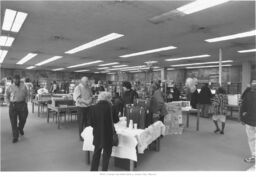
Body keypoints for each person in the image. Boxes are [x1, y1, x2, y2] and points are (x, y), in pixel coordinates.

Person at [90, 92, 116, 171]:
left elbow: (91, 123)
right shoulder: (112, 107)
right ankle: (104, 171)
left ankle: (93, 171)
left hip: (97, 133)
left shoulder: (93, 107)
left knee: (96, 153)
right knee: (107, 155)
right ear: (108, 98)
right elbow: (116, 120)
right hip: (108, 134)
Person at [5, 75, 29, 143]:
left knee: (23, 118)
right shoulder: (10, 87)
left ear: (19, 79)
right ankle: (15, 136)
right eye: (15, 79)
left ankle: (20, 128)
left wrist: (26, 102)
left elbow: (27, 94)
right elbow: (6, 96)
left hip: (22, 104)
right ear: (13, 79)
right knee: (13, 121)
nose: (16, 80)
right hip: (13, 105)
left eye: (17, 79)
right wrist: (8, 104)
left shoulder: (24, 86)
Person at [240, 80, 256, 163]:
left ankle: (254, 155)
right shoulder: (248, 94)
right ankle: (254, 156)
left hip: (250, 120)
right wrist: (242, 118)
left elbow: (243, 106)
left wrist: (242, 118)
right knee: (252, 139)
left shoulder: (248, 94)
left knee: (252, 139)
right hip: (250, 120)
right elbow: (243, 106)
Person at [73, 76, 93, 141]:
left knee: (88, 123)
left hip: (88, 108)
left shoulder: (88, 88)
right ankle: (81, 137)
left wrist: (89, 101)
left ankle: (87, 136)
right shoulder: (78, 88)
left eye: (88, 81)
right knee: (81, 123)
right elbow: (77, 98)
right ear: (82, 81)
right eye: (86, 82)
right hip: (81, 108)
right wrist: (86, 102)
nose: (87, 83)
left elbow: (91, 96)